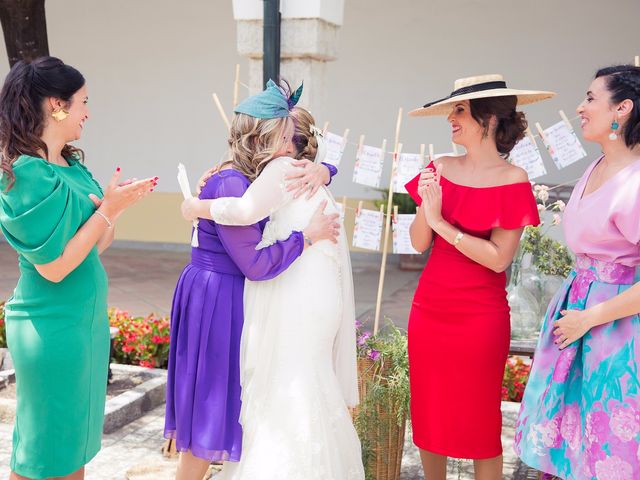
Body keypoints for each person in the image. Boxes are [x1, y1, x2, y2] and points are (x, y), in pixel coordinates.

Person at [164, 80, 341, 480]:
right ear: (262, 136)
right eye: (284, 136)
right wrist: (307, 237)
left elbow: (320, 163)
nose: (291, 145)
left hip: (224, 293)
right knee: (207, 416)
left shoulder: (251, 179)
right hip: (217, 300)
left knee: (222, 410)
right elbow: (256, 266)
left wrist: (324, 169)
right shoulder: (231, 183)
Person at [0, 56, 154, 480]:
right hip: (51, 327)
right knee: (43, 452)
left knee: (69, 448)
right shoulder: (26, 174)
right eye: (83, 101)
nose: (88, 111)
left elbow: (94, 245)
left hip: (81, 323)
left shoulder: (70, 164)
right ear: (57, 105)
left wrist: (112, 209)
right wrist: (109, 211)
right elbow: (55, 267)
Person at [405, 74, 551, 480]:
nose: (449, 118)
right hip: (429, 309)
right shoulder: (439, 167)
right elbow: (419, 242)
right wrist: (427, 212)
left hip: (480, 317)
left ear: (486, 118)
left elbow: (498, 259)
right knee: (429, 419)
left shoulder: (513, 179)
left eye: (459, 110)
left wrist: (441, 223)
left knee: (481, 426)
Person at [515, 65, 640, 480]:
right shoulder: (598, 166)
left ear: (622, 108)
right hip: (577, 313)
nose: (580, 107)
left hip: (615, 329)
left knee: (609, 442)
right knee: (570, 447)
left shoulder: (635, 183)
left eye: (590, 98)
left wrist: (590, 318)